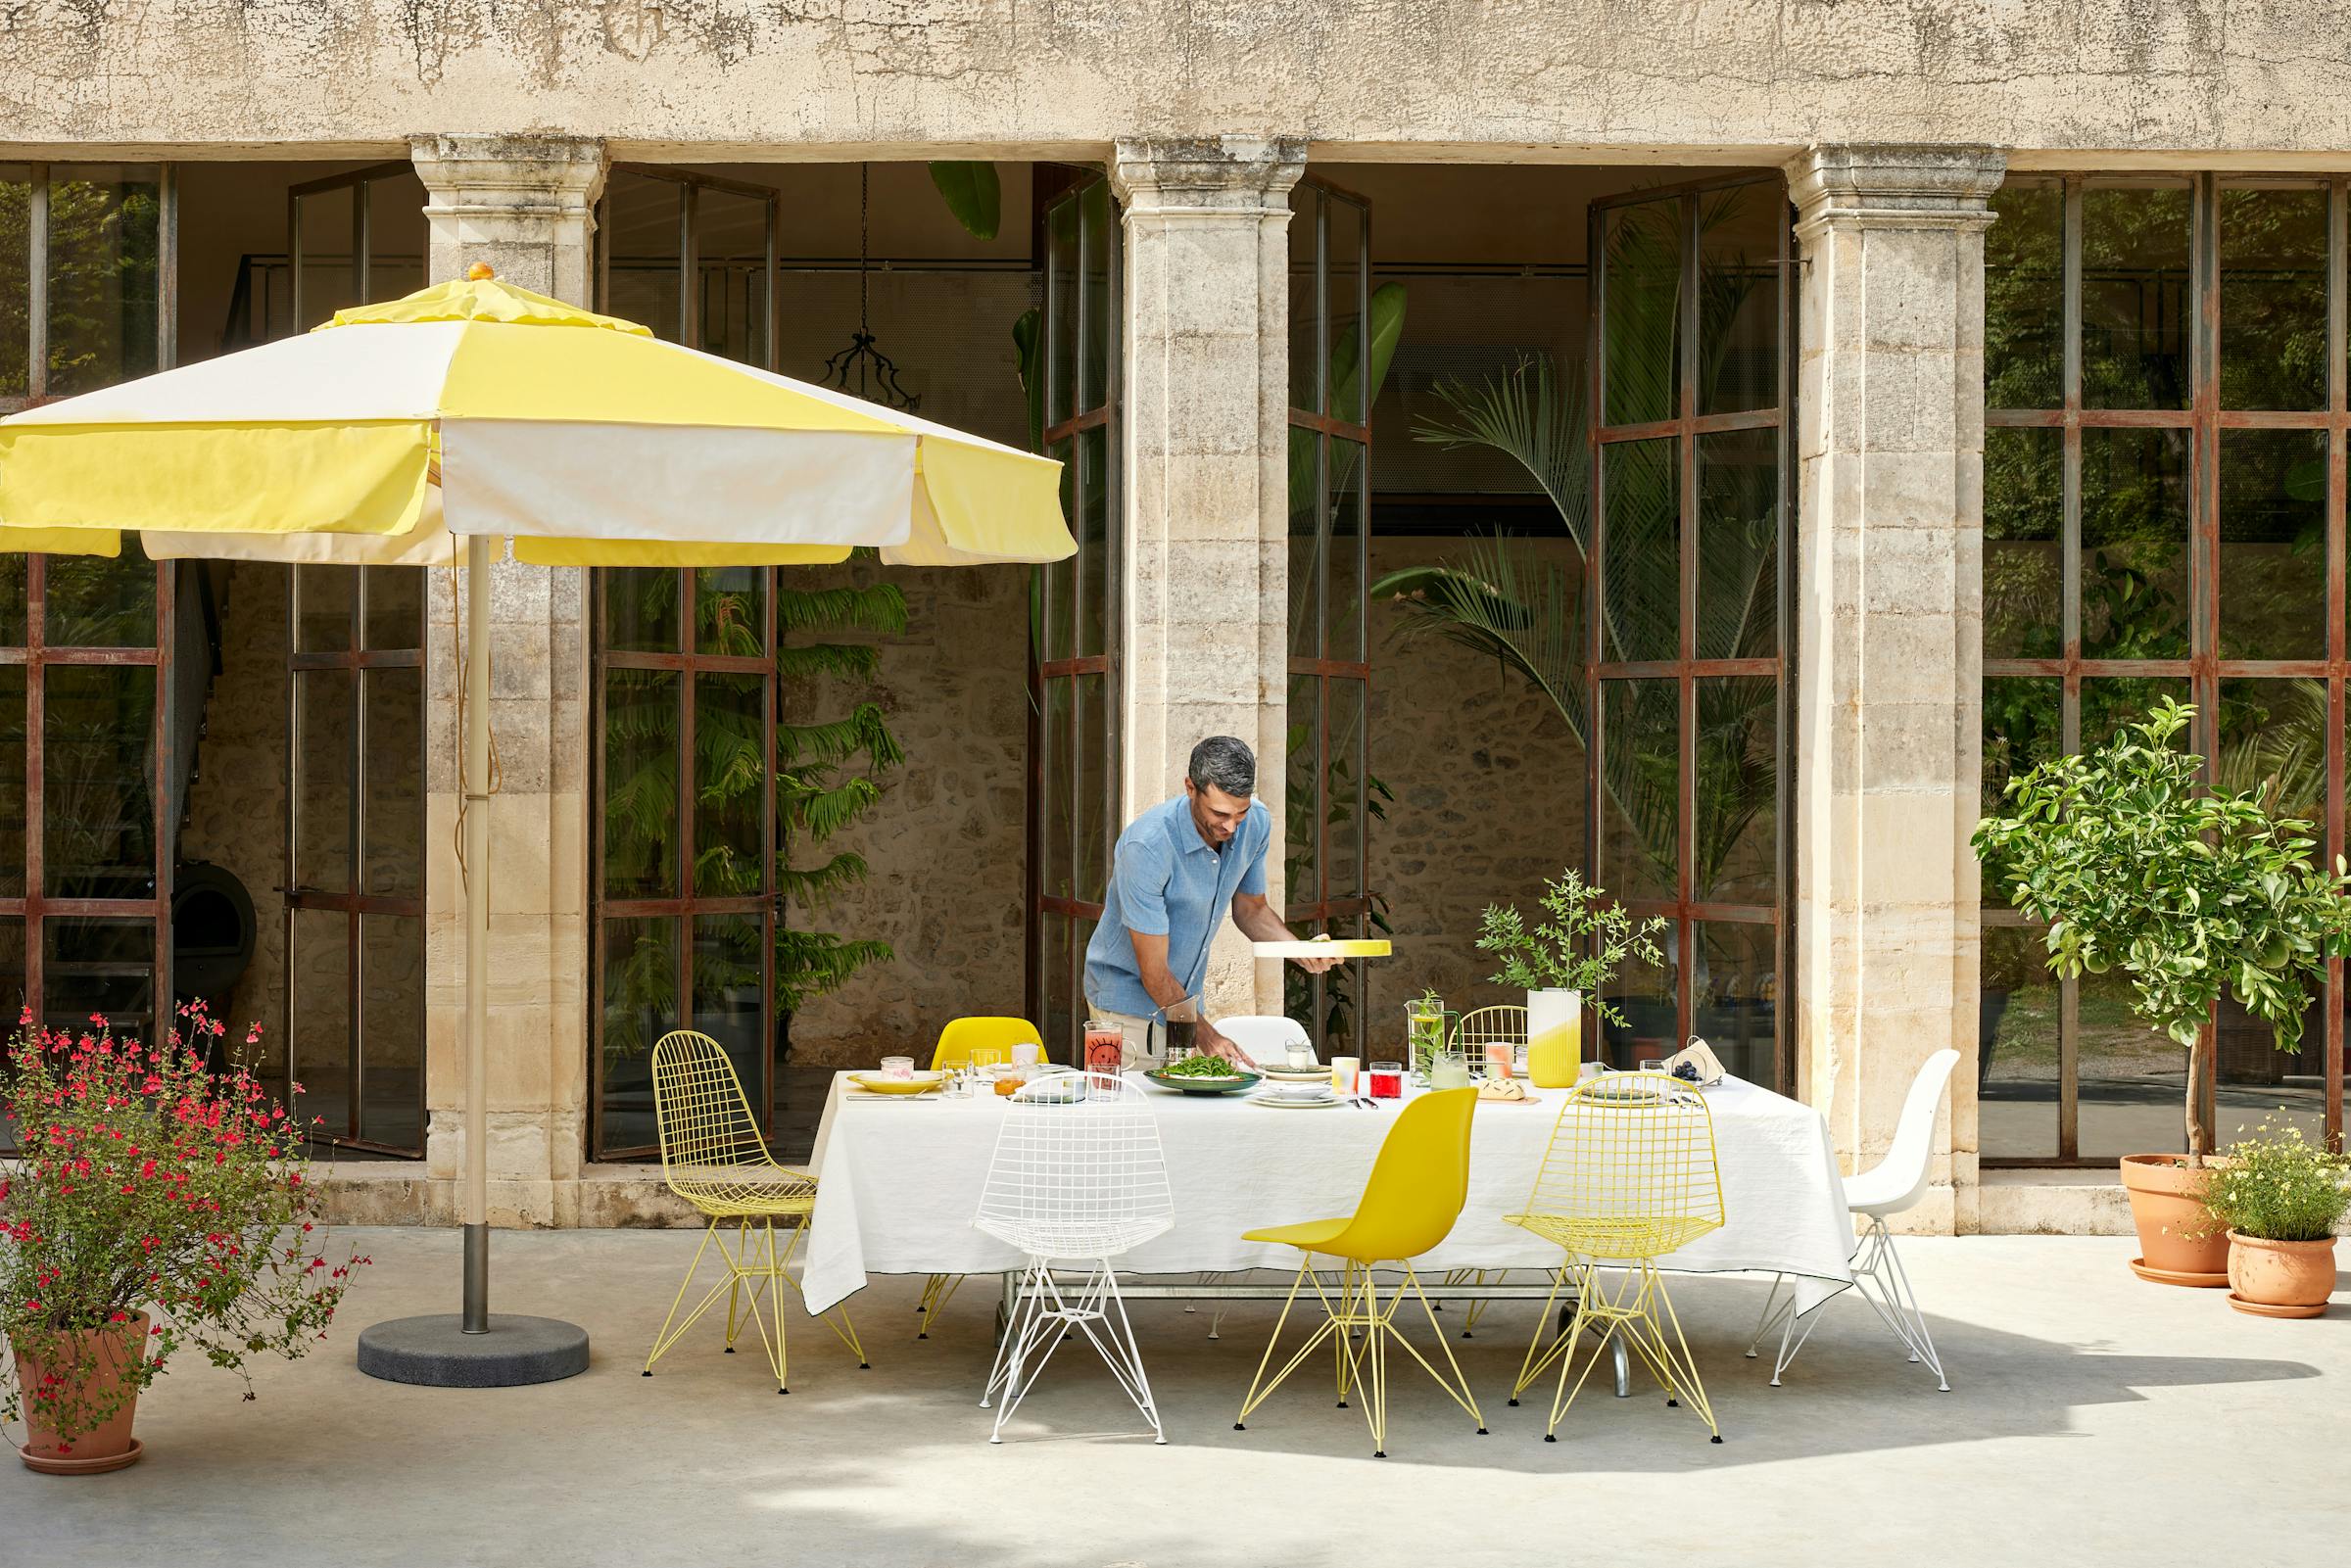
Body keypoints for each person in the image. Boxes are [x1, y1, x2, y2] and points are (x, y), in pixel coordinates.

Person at [1082, 736, 1338, 1066]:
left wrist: (1300, 951)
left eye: (1240, 813)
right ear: (1191, 788)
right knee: (1133, 1112)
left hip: (1184, 1005)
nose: (1231, 826)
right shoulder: (1147, 848)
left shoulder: (1256, 823)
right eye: (1219, 813)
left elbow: (1252, 909)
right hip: (1125, 1008)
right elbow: (1155, 972)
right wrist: (1206, 1035)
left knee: (1187, 1114)